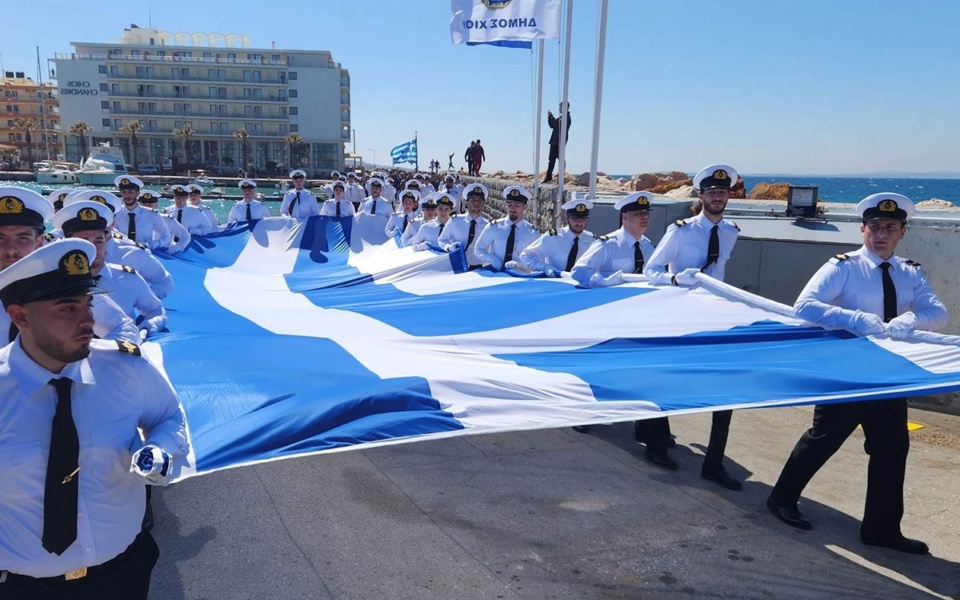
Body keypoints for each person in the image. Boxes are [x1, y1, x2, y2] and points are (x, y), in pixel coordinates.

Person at [0, 238, 188, 599]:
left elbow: (167, 414)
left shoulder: (125, 367)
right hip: (25, 587)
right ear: (20, 315)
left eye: (88, 304)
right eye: (67, 308)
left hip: (125, 574)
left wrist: (160, 448)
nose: (88, 320)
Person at [766, 192, 947, 554]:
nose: (881, 234)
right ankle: (781, 499)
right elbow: (805, 305)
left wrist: (915, 318)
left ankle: (881, 529)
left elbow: (937, 312)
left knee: (892, 449)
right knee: (824, 439)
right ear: (863, 230)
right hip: (848, 370)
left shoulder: (909, 271)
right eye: (875, 227)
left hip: (887, 373)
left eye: (890, 228)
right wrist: (852, 318)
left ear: (902, 233)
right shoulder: (843, 266)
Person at [640, 165, 743, 484]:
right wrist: (674, 278)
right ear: (700, 195)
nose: (717, 197)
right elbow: (650, 269)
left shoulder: (731, 232)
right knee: (664, 381)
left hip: (714, 317)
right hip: (678, 315)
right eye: (712, 192)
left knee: (727, 391)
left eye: (723, 192)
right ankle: (656, 444)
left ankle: (714, 463)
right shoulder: (681, 231)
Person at [0, 187, 139, 344]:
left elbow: (124, 329)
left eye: (22, 238)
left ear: (39, 242)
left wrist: (78, 359)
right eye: (1, 238)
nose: (10, 249)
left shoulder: (62, 282)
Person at [54, 201, 168, 341]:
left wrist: (146, 327)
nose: (94, 248)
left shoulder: (128, 278)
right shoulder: (52, 286)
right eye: (84, 241)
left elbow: (155, 310)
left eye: (99, 240)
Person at [518, 199, 595, 277]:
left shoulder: (592, 241)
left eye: (583, 218)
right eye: (574, 218)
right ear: (566, 219)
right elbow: (526, 255)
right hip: (555, 283)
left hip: (579, 285)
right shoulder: (553, 238)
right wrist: (545, 267)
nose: (579, 222)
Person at [473, 186, 540, 271]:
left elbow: (537, 258)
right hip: (496, 274)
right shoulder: (494, 226)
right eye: (510, 205)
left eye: (517, 205)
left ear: (525, 207)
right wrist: (492, 259)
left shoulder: (532, 232)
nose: (512, 208)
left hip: (520, 277)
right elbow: (478, 249)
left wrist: (520, 264)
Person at [438, 183, 490, 270]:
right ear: (466, 202)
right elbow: (442, 240)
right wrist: (449, 247)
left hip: (477, 269)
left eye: (479, 200)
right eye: (473, 199)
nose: (476, 202)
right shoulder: (455, 221)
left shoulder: (487, 226)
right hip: (456, 265)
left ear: (483, 203)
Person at [113, 176, 170, 250]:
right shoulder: (116, 214)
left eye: (130, 191)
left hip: (144, 254)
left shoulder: (152, 214)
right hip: (122, 255)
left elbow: (166, 235)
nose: (127, 195)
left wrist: (154, 244)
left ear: (137, 193)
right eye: (124, 192)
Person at [542, 103, 571, 184]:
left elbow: (556, 124)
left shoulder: (566, 118)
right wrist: (549, 117)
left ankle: (559, 178)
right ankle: (548, 178)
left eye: (560, 107)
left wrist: (551, 116)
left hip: (559, 141)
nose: (559, 109)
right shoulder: (562, 117)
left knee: (558, 158)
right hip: (555, 140)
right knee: (551, 160)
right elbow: (552, 125)